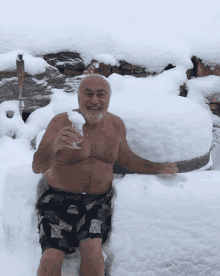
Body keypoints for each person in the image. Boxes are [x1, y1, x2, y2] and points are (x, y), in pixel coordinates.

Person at [32, 74, 179, 276]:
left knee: (93, 254)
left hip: (97, 202)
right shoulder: (60, 122)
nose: (94, 100)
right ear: (78, 97)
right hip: (57, 200)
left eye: (101, 95)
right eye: (88, 94)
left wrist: (158, 167)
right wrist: (54, 147)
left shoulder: (115, 125)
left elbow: (126, 159)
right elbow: (37, 166)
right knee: (51, 257)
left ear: (109, 98)